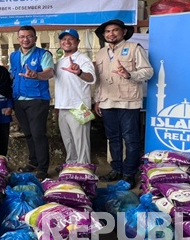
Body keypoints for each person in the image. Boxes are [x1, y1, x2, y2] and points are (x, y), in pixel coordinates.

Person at [93, 19, 153, 184]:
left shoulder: (134, 48)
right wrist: (97, 100)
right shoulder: (101, 53)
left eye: (115, 30)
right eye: (107, 31)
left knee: (130, 139)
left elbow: (148, 71)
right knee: (113, 138)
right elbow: (100, 80)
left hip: (128, 101)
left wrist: (129, 74)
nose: (111, 34)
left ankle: (129, 173)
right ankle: (116, 169)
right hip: (107, 101)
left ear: (123, 32)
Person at [10, 25, 54, 179]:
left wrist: (37, 74)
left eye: (29, 36)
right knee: (28, 134)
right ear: (18, 39)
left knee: (38, 134)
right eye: (22, 37)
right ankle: (33, 161)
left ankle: (43, 167)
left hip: (37, 100)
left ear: (35, 38)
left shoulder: (43, 54)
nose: (25, 39)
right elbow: (12, 75)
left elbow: (49, 72)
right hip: (19, 100)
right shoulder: (13, 56)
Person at [53, 29, 96, 164]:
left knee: (81, 143)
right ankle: (71, 169)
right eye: (64, 39)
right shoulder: (59, 61)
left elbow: (91, 78)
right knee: (69, 142)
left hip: (79, 107)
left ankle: (84, 171)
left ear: (78, 41)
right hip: (62, 107)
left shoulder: (83, 59)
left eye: (71, 39)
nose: (67, 42)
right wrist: (57, 106)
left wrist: (79, 72)